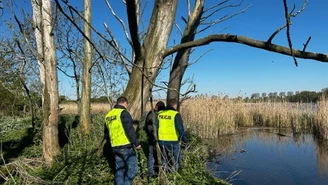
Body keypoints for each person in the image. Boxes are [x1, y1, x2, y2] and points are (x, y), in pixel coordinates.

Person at [104, 96, 141, 185]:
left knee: (119, 169)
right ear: (125, 103)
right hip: (125, 146)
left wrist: (111, 143)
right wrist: (136, 143)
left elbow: (106, 133)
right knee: (133, 168)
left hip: (114, 147)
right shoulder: (123, 113)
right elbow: (129, 129)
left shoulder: (108, 115)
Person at [156, 98, 187, 172]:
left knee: (164, 158)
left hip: (161, 140)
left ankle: (164, 174)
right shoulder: (175, 114)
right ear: (175, 105)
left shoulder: (160, 113)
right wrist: (185, 140)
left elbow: (156, 126)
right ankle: (174, 175)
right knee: (176, 159)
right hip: (172, 140)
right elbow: (180, 129)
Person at [144, 101, 165, 177]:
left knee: (151, 156)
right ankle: (160, 173)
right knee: (161, 155)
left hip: (151, 138)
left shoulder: (151, 114)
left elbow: (146, 126)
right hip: (159, 139)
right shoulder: (160, 115)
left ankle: (151, 173)